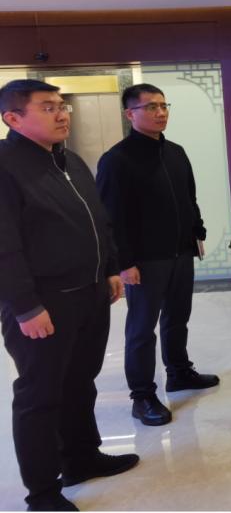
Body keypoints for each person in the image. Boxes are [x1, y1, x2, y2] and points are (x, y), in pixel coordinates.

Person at [0, 79, 139, 512]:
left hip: (90, 294)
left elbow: (99, 219)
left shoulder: (70, 159)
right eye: (48, 107)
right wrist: (26, 306)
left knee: (80, 382)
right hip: (45, 303)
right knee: (40, 396)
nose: (62, 114)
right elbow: (4, 245)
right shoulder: (5, 165)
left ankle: (81, 457)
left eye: (63, 106)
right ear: (13, 118)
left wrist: (110, 267)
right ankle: (42, 492)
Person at [96, 84, 219, 428]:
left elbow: (189, 198)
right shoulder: (116, 160)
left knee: (178, 316)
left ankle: (178, 372)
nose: (161, 112)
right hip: (144, 259)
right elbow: (111, 217)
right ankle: (142, 396)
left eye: (164, 105)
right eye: (150, 107)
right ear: (130, 114)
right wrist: (123, 263)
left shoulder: (175, 152)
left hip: (180, 251)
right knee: (141, 329)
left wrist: (197, 231)